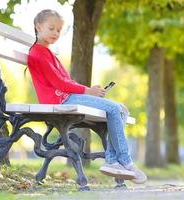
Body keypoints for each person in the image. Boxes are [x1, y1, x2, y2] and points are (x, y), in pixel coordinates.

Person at [27, 9, 147, 184]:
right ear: (38, 26)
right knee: (114, 108)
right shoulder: (38, 53)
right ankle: (124, 161)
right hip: (60, 99)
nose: (56, 33)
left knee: (120, 109)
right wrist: (89, 91)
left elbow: (65, 81)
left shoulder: (48, 53)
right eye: (51, 28)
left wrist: (89, 90)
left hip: (66, 96)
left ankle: (113, 160)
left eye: (59, 30)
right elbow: (60, 84)